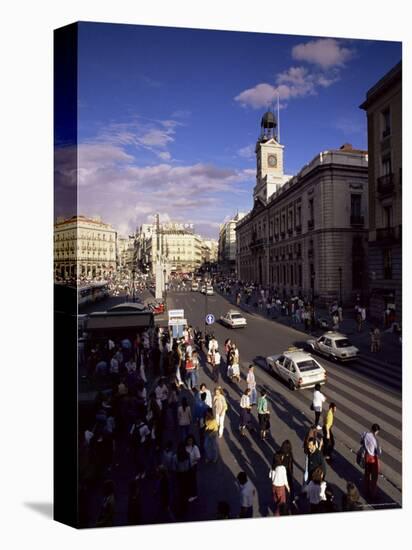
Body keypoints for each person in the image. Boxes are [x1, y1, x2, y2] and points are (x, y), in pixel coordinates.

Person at [361, 423, 382, 499]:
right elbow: (378, 452)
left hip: (366, 457)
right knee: (374, 477)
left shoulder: (365, 434)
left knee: (367, 474)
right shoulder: (376, 440)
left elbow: (361, 442)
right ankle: (372, 494)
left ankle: (366, 489)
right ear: (376, 431)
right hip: (373, 460)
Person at [185, 435, 201, 502]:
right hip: (186, 466)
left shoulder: (195, 447)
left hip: (192, 466)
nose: (190, 442)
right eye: (188, 440)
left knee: (193, 480)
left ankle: (194, 494)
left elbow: (198, 457)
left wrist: (193, 461)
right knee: (188, 480)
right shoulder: (185, 447)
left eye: (191, 440)